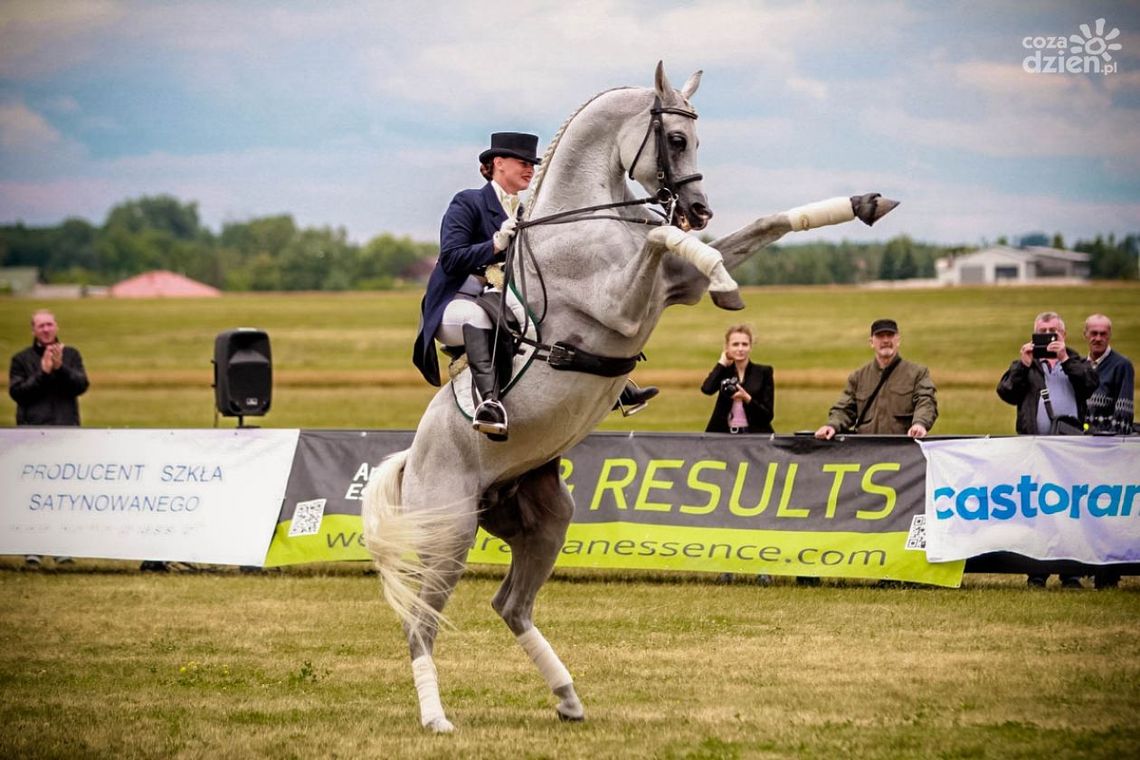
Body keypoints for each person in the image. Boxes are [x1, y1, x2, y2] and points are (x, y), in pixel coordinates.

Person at [412, 132, 655, 441]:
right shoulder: (468, 201)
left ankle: (614, 387)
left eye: (532, 164)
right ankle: (488, 403)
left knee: (563, 314)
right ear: (499, 163)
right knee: (479, 317)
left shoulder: (526, 212)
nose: (530, 169)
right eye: (523, 163)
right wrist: (495, 244)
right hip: (457, 303)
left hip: (502, 300)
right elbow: (451, 258)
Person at [996, 311, 1099, 589]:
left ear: (1063, 334)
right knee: (1037, 510)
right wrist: (1022, 365)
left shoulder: (1075, 361)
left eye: (1053, 330)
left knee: (1070, 510)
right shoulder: (1026, 364)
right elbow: (1006, 392)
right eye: (1042, 331)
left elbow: (1090, 385)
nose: (1048, 335)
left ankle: (1070, 573)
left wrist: (1064, 358)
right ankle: (1037, 572)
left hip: (1070, 447)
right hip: (1035, 447)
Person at [9, 309, 89, 568]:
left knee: (63, 493)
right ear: (33, 330)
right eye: (40, 325)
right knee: (34, 493)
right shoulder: (21, 359)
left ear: (56, 326)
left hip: (65, 431)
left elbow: (81, 385)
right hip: (33, 433)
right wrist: (43, 373)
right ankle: (33, 548)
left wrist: (60, 368)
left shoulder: (71, 355)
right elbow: (18, 393)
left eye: (49, 324)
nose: (46, 329)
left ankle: (61, 547)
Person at [814, 319, 938, 440]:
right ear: (871, 342)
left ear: (898, 340)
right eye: (880, 336)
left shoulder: (918, 374)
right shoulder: (858, 377)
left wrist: (920, 424)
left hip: (903, 450)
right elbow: (844, 409)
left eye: (890, 335)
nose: (885, 340)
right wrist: (832, 426)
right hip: (867, 451)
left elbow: (926, 402)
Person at [1083, 313, 1134, 589]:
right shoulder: (1080, 365)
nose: (1098, 338)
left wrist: (1113, 445)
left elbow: (1124, 409)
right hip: (1082, 448)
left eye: (1103, 333)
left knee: (1108, 511)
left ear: (1109, 336)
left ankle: (1108, 574)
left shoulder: (1121, 365)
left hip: (1107, 449)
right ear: (1085, 335)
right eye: (1093, 333)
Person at [701, 324, 774, 434]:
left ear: (750, 347)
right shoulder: (723, 371)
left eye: (745, 344)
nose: (740, 349)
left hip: (755, 435)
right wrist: (722, 362)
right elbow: (707, 389)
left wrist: (747, 398)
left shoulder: (763, 372)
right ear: (727, 347)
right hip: (724, 435)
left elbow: (767, 415)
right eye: (735, 344)